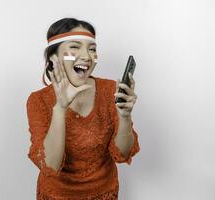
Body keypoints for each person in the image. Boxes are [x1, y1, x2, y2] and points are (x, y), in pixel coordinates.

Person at [26, 17, 140, 200]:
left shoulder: (110, 90)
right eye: (75, 47)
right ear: (53, 57)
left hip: (104, 193)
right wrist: (60, 107)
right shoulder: (37, 101)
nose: (87, 56)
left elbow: (122, 154)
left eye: (92, 49)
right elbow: (51, 166)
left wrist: (125, 116)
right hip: (57, 195)